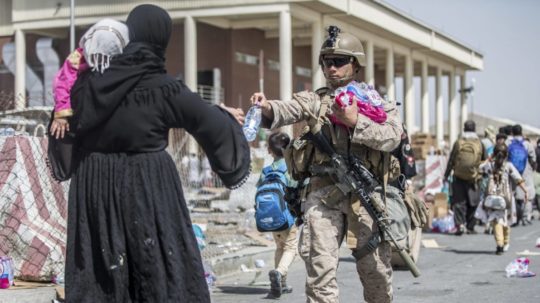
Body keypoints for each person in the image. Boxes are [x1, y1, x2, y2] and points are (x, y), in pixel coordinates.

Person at [63, 5, 250, 302]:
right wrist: (227, 136)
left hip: (93, 186)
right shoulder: (163, 87)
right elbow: (210, 123)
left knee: (101, 270)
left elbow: (63, 125)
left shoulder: (88, 83)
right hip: (146, 183)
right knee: (152, 263)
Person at [250, 26, 403, 303]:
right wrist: (265, 108)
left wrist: (356, 121)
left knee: (376, 275)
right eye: (326, 62)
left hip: (365, 198)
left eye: (339, 61)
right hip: (323, 195)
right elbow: (286, 109)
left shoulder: (376, 102)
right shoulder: (315, 99)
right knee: (319, 277)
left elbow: (393, 137)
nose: (331, 68)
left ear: (355, 65)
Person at [50, 18, 129, 139]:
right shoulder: (78, 57)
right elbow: (62, 83)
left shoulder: (126, 62)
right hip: (78, 122)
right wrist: (62, 114)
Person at [257, 132, 298, 299]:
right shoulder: (290, 169)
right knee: (290, 247)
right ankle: (279, 273)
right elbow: (297, 187)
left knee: (280, 247)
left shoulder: (266, 171)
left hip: (273, 218)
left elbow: (259, 187)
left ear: (269, 151)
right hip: (288, 217)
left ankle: (281, 284)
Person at [476, 143, 527, 254]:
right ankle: (504, 242)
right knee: (506, 221)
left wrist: (489, 159)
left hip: (492, 198)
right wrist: (525, 191)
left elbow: (478, 168)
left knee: (496, 221)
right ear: (506, 154)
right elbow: (518, 179)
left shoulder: (489, 165)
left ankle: (499, 243)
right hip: (506, 199)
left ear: (494, 154)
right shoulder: (509, 166)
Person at [444, 120, 487, 235]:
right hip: (474, 178)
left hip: (458, 177)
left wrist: (446, 175)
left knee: (459, 203)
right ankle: (470, 226)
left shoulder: (458, 142)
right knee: (473, 202)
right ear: (474, 129)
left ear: (464, 129)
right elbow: (485, 160)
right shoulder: (479, 143)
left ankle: (460, 225)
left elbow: (451, 161)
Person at [508, 124, 536, 226]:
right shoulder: (527, 144)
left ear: (512, 132)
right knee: (527, 193)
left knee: (512, 194)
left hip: (511, 171)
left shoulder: (508, 143)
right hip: (525, 172)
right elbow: (533, 158)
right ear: (521, 132)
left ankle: (514, 217)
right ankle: (525, 218)